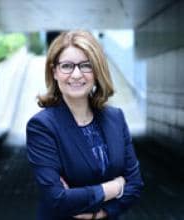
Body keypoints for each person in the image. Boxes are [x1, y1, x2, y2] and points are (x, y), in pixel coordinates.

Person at [26, 30, 144, 220]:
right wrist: (114, 187)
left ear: (97, 71)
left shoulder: (115, 118)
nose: (76, 74)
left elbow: (135, 185)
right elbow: (57, 198)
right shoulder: (42, 126)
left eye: (86, 65)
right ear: (54, 71)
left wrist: (100, 213)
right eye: (66, 66)